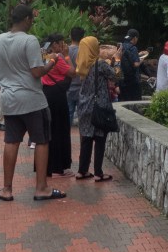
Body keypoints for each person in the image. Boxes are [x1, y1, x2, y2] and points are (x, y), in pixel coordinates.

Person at [0, 3, 67, 202]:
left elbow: (1, 67)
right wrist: (52, 62)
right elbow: (36, 72)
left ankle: (6, 189)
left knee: (11, 141)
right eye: (31, 19)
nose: (32, 22)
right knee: (41, 141)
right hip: (32, 100)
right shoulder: (29, 40)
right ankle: (41, 188)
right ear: (26, 19)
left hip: (9, 100)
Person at [74, 35, 115, 182]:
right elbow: (114, 74)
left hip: (84, 105)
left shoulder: (81, 64)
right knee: (99, 139)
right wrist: (116, 61)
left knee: (86, 138)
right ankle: (98, 173)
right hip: (99, 106)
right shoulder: (101, 64)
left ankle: (82, 171)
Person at [39, 33, 74, 177]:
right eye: (61, 43)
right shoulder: (57, 58)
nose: (63, 46)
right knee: (61, 130)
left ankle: (48, 167)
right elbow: (73, 72)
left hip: (46, 95)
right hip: (58, 97)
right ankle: (60, 167)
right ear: (54, 44)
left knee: (49, 131)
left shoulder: (43, 57)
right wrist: (67, 56)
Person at [66, 26, 85, 125]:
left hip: (68, 87)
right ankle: (83, 140)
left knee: (68, 115)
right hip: (81, 87)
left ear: (70, 36)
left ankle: (65, 139)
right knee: (82, 118)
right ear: (82, 37)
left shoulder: (65, 51)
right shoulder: (83, 52)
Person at [118, 29, 142, 101]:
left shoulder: (121, 47)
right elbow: (136, 64)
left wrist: (138, 55)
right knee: (135, 103)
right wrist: (142, 59)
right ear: (135, 38)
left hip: (122, 81)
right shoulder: (133, 48)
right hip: (133, 82)